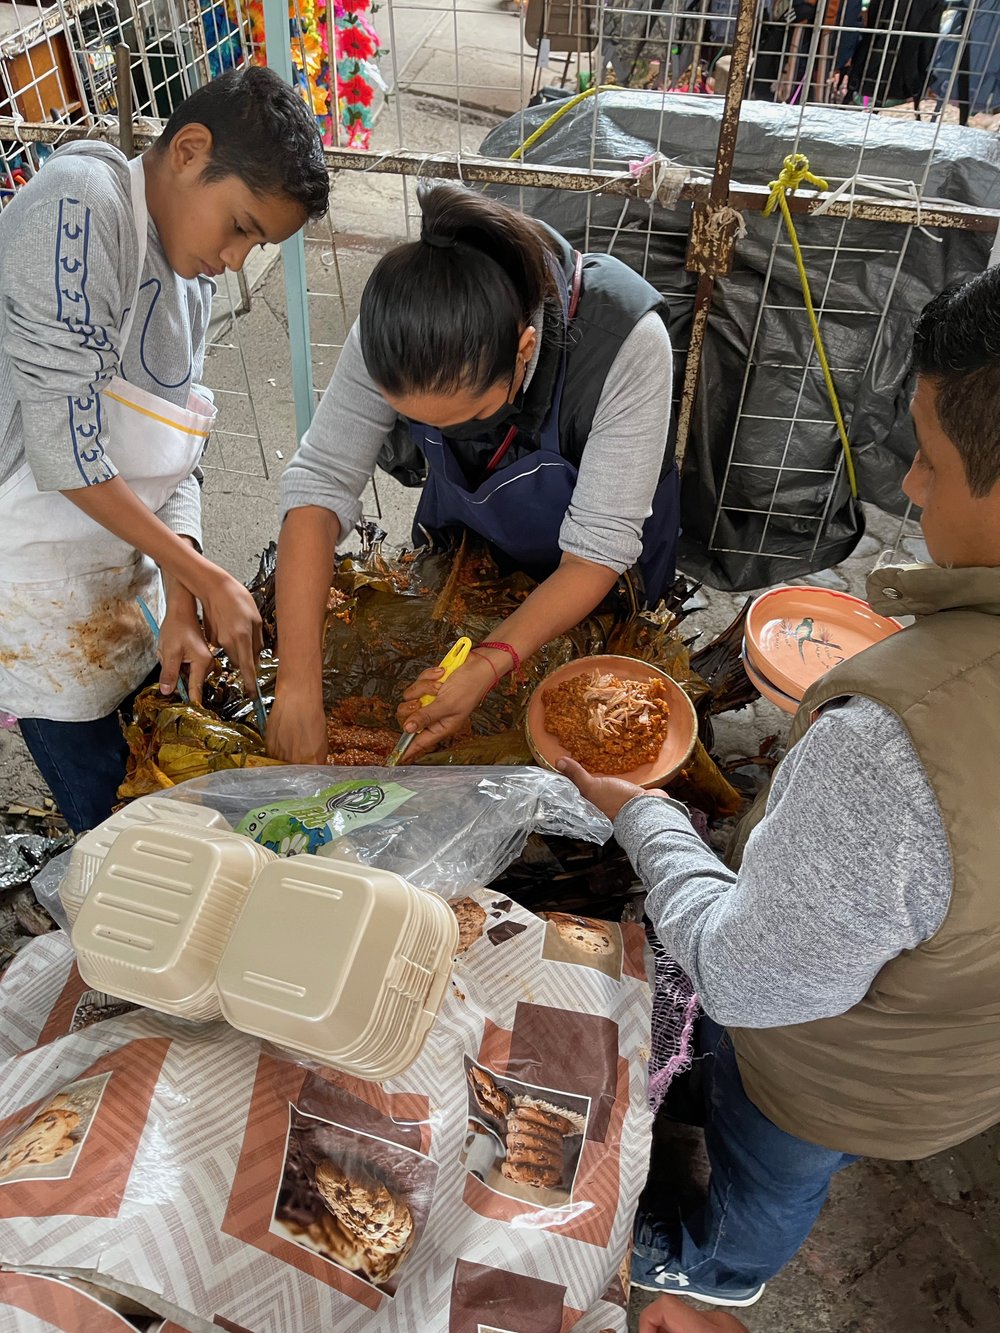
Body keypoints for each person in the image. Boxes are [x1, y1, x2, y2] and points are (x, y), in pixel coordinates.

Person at [558, 267, 1000, 1307]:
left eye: (930, 460)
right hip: (958, 1053)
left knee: (773, 1168)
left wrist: (650, 818)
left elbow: (746, 973)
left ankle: (717, 1269)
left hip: (842, 1075)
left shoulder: (901, 741)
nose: (910, 491)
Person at [0, 66, 329, 833]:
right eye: (243, 226)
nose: (239, 258)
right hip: (29, 581)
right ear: (188, 151)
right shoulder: (81, 207)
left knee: (159, 785)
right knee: (114, 825)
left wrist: (182, 597)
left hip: (120, 572)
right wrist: (202, 573)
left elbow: (175, 455)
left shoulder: (192, 277)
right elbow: (64, 448)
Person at [268, 183, 679, 765]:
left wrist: (489, 661)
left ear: (524, 348)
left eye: (472, 419)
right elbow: (319, 485)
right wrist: (297, 687)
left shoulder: (627, 344)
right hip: (469, 543)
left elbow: (595, 554)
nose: (448, 435)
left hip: (598, 575)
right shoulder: (393, 332)